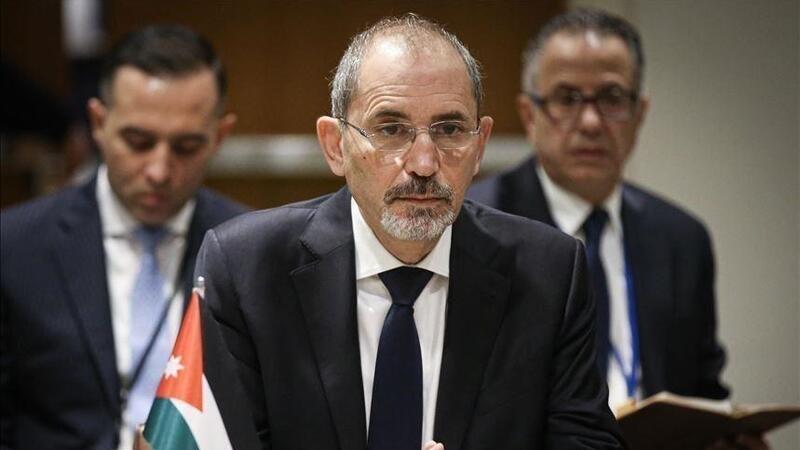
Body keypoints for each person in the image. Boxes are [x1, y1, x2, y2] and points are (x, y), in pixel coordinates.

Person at [195, 14, 624, 449]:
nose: (423, 163)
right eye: (391, 130)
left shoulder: (549, 274)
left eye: (450, 130)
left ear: (479, 145)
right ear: (335, 145)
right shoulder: (245, 269)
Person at [468, 8, 766, 449]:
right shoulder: (477, 228)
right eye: (567, 98)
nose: (591, 122)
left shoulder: (682, 239)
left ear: (639, 113)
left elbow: (704, 390)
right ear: (529, 115)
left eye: (611, 98)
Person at [0, 25, 246, 450]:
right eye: (138, 142)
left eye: (186, 147)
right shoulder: (14, 247)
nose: (159, 171)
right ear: (98, 123)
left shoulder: (252, 250)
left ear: (219, 137)